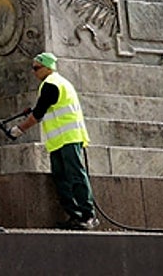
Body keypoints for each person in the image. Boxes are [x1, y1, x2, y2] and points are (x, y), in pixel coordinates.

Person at [5, 52, 98, 229]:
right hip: (59, 141)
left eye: (36, 68)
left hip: (69, 138)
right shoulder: (57, 84)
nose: (34, 72)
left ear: (47, 67)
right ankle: (75, 216)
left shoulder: (52, 84)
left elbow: (37, 115)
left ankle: (88, 216)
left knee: (76, 176)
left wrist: (18, 130)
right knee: (62, 177)